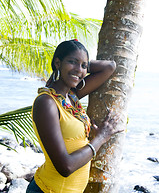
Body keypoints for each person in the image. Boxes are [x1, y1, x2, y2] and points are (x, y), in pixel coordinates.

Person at [26, 39, 123, 193]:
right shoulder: (47, 102)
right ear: (57, 63)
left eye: (84, 66)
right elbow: (66, 166)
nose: (80, 70)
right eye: (72, 62)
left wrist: (77, 65)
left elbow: (109, 67)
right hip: (48, 189)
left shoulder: (71, 96)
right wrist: (101, 137)